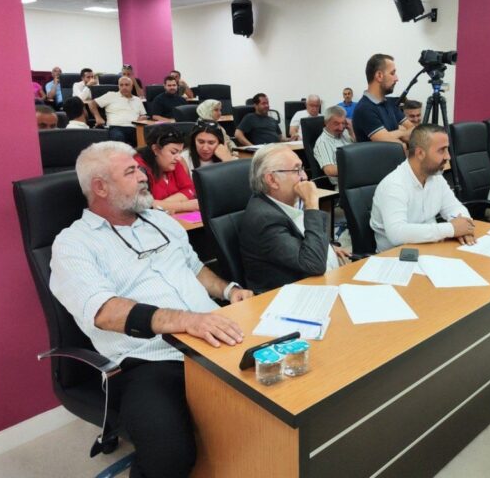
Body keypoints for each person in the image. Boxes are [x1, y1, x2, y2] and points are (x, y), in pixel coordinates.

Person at [49, 141, 252, 478]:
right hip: (149, 360)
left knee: (283, 396)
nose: (144, 176)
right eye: (131, 172)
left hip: (215, 334)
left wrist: (229, 291)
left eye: (140, 169)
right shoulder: (73, 244)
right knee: (169, 455)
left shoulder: (160, 220)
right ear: (100, 187)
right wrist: (186, 321)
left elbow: (195, 268)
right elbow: (104, 311)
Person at [239, 144, 350, 293]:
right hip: (292, 295)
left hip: (326, 281)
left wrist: (328, 246)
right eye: (296, 170)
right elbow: (314, 264)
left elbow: (301, 236)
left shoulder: (287, 201)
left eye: (302, 168)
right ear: (272, 180)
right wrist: (312, 204)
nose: (304, 176)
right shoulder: (264, 219)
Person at [370, 124, 475, 252]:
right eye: (441, 150)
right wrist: (452, 229)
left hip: (432, 249)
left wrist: (463, 228)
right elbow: (397, 234)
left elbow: (454, 208)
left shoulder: (436, 177)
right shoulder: (394, 185)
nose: (448, 156)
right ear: (420, 153)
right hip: (396, 256)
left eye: (447, 149)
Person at [135, 125, 198, 213]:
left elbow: (190, 190)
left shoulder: (174, 163)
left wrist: (162, 205)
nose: (178, 158)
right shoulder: (138, 169)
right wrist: (183, 206)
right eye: (173, 152)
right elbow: (143, 205)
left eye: (180, 152)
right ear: (155, 149)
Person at [352, 53, 413, 144]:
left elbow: (414, 131)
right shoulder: (364, 109)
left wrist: (395, 134)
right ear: (379, 75)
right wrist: (402, 132)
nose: (396, 78)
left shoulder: (391, 103)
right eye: (392, 73)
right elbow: (399, 146)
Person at [88, 76, 147, 146]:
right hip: (116, 127)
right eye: (121, 85)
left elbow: (143, 115)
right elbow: (91, 103)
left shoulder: (137, 100)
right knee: (118, 137)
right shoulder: (111, 95)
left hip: (134, 127)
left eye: (127, 85)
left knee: (147, 139)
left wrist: (143, 118)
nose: (124, 87)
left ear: (132, 86)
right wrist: (97, 117)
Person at [313, 105, 353, 188]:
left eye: (343, 123)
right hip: (344, 185)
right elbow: (330, 170)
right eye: (336, 124)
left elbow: (361, 151)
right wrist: (357, 167)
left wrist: (351, 131)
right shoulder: (323, 142)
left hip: (359, 179)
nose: (341, 128)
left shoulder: (346, 134)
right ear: (326, 123)